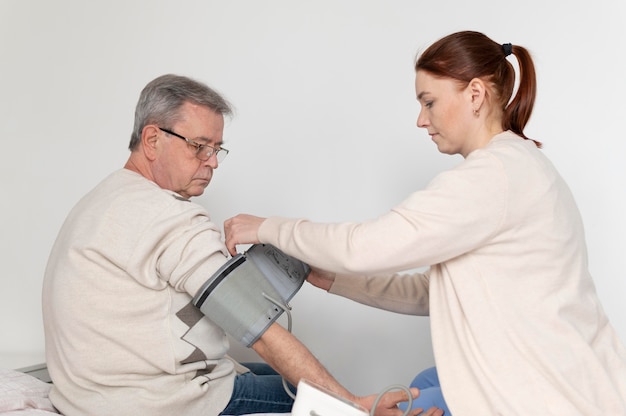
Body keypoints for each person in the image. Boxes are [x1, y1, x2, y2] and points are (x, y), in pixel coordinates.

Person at [224, 31, 626, 415]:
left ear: (475, 95)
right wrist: (334, 279)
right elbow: (437, 291)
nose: (420, 119)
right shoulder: (518, 166)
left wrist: (266, 227)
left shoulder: (493, 177)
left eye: (429, 102)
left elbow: (364, 247)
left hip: (552, 396)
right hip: (568, 383)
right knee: (424, 384)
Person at [42, 74, 437, 416]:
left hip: (93, 397)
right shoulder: (164, 214)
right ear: (151, 139)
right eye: (199, 146)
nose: (212, 161)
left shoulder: (105, 197)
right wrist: (352, 405)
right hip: (156, 404)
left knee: (272, 375)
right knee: (323, 398)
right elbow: (258, 331)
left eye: (217, 148)